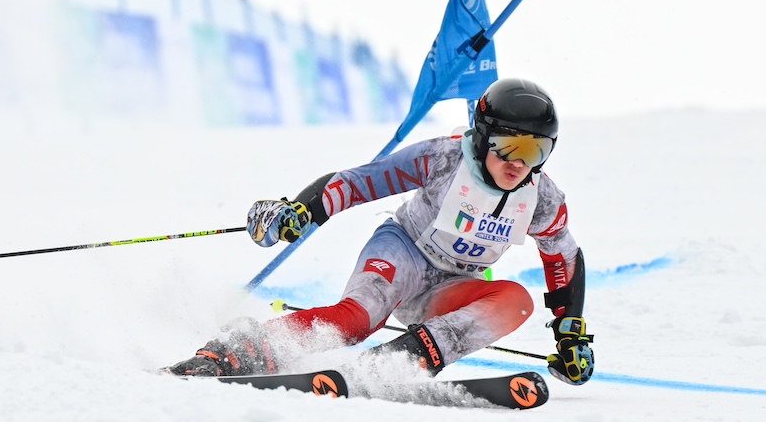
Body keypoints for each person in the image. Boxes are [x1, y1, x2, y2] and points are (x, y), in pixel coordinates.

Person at [162, 78, 594, 386]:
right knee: (356, 320)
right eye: (509, 145)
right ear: (482, 137)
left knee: (515, 300)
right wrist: (300, 211)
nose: (518, 163)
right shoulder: (443, 159)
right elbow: (358, 182)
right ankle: (239, 349)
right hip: (404, 251)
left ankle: (404, 361)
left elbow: (564, 257)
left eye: (536, 150)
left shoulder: (543, 199)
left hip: (451, 287)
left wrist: (570, 331)